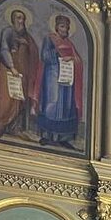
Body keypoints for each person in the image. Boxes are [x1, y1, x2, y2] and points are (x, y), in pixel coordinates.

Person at [0, 8, 40, 140]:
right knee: (8, 98)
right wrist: (12, 67)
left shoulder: (27, 37)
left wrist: (27, 45)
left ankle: (15, 127)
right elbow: (4, 49)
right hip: (8, 69)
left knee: (20, 99)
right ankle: (2, 124)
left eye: (23, 18)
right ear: (13, 19)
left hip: (23, 71)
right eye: (18, 18)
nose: (21, 21)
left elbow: (34, 52)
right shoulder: (8, 31)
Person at [36, 14, 83, 149]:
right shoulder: (50, 39)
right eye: (62, 26)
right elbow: (45, 55)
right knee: (52, 103)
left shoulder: (69, 43)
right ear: (56, 27)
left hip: (67, 80)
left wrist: (73, 59)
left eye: (66, 27)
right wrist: (59, 55)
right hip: (52, 78)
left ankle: (63, 138)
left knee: (66, 108)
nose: (64, 29)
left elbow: (78, 60)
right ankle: (47, 136)